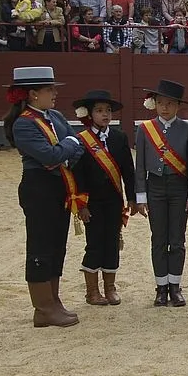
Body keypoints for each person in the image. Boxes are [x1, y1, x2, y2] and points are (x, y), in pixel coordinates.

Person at [3, 66, 85, 328]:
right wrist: (65, 148)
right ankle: (43, 306)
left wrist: (63, 150)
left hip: (59, 184)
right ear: (33, 94)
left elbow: (75, 147)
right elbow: (51, 155)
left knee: (56, 245)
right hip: (39, 187)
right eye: (49, 90)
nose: (54, 94)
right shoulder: (24, 124)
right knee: (40, 245)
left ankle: (52, 301)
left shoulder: (54, 116)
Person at [135, 80, 188, 307]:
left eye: (170, 104)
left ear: (178, 106)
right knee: (158, 238)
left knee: (177, 239)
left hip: (179, 187)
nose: (165, 108)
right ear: (154, 104)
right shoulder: (144, 129)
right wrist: (140, 196)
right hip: (155, 188)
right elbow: (140, 165)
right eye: (161, 103)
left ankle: (175, 286)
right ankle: (160, 287)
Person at [71, 90, 136, 306]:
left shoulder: (119, 137)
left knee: (112, 242)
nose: (105, 115)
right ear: (89, 114)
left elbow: (128, 170)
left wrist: (132, 198)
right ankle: (92, 291)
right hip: (93, 203)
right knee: (95, 244)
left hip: (114, 200)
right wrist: (81, 205)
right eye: (99, 111)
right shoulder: (81, 140)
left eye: (108, 110)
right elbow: (77, 176)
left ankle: (110, 287)